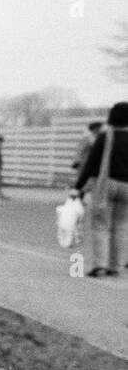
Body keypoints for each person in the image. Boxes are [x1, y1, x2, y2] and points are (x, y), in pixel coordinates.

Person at [73, 102, 128, 277]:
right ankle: (117, 266)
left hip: (106, 184)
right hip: (127, 187)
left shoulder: (105, 137)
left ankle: (100, 265)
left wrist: (78, 187)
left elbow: (90, 164)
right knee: (120, 226)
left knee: (100, 225)